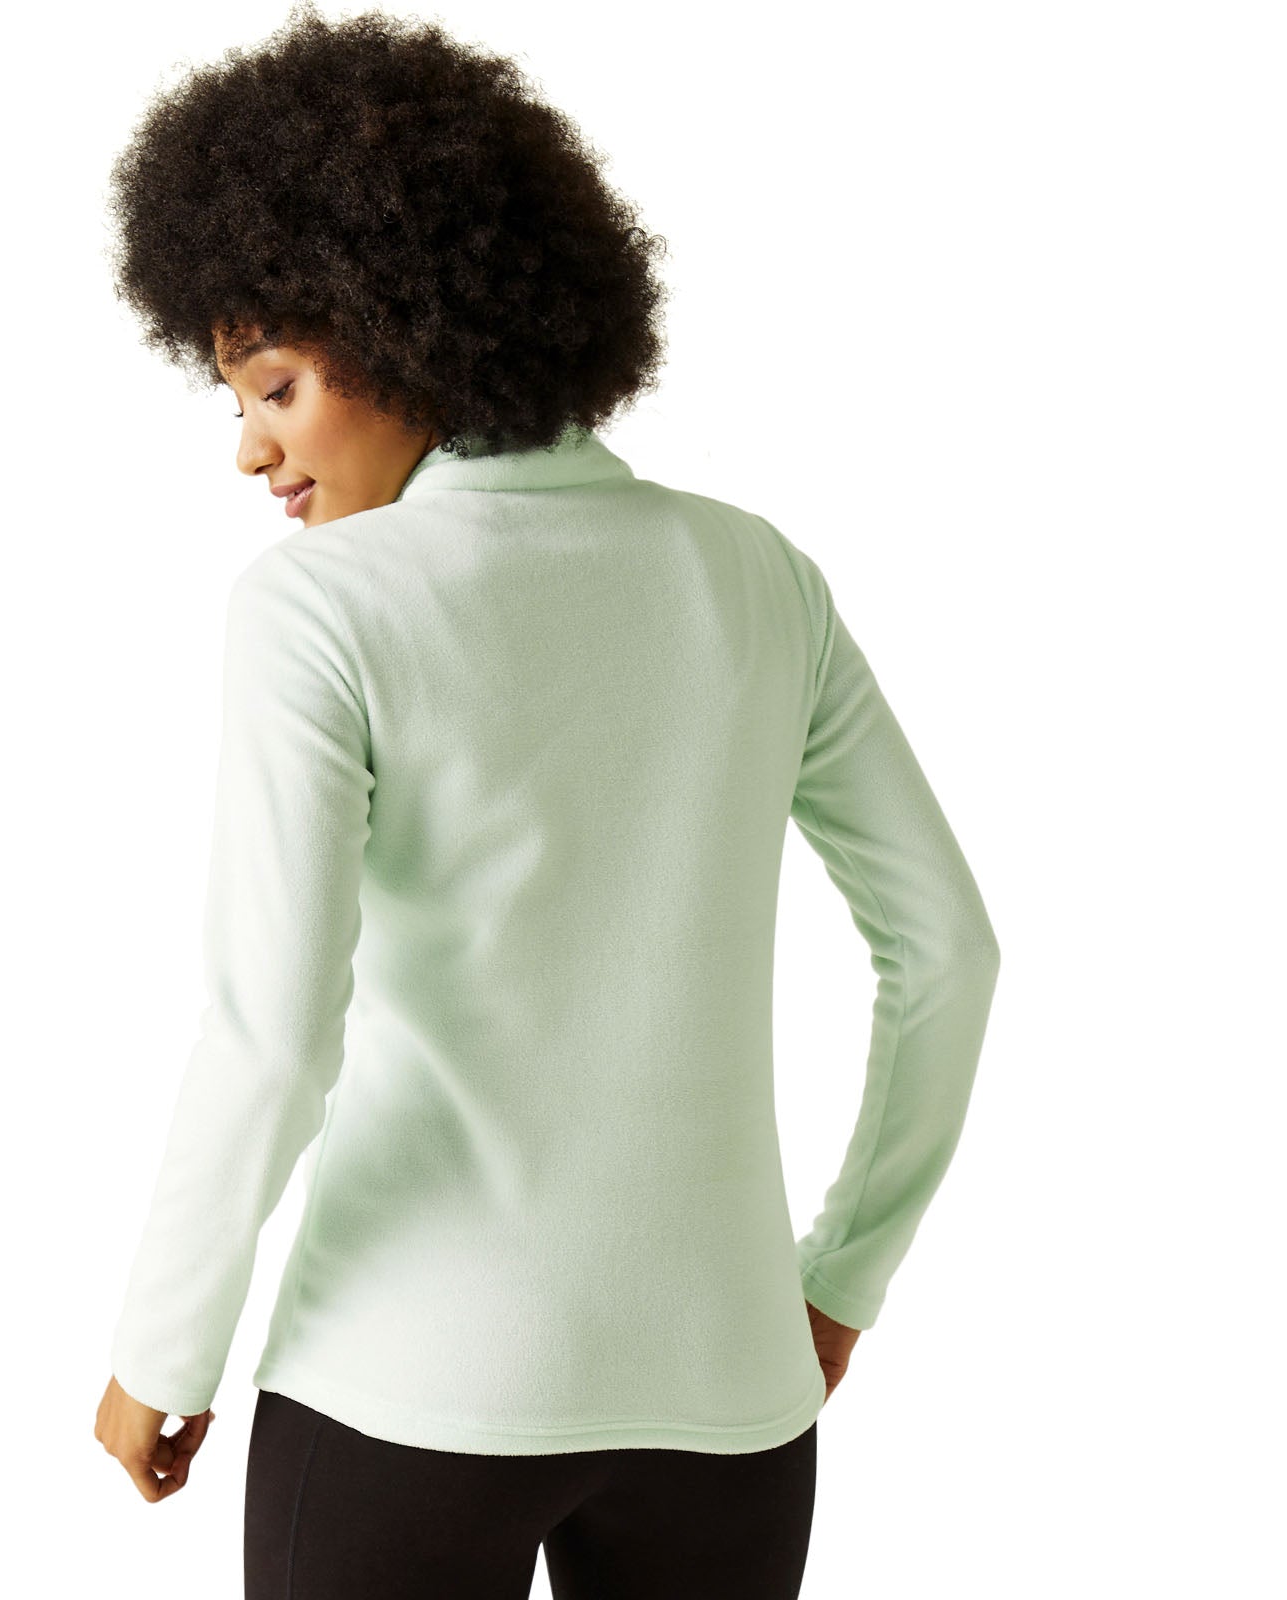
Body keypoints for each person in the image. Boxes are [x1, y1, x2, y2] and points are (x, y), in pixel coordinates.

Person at [92, 7, 1000, 1597]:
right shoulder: (756, 577)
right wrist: (842, 1278)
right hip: (728, 1403)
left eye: (275, 387)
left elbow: (273, 1031)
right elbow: (948, 953)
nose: (249, 451)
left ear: (399, 325)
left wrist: (166, 1346)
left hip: (406, 1384)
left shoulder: (321, 608)